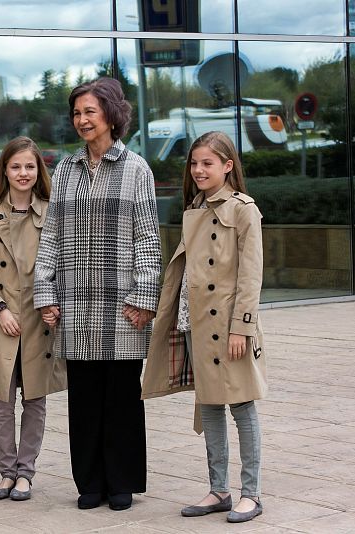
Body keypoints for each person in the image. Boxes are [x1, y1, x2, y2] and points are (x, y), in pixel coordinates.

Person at [33, 77, 161, 512]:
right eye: (77, 113)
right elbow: (50, 235)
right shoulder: (66, 169)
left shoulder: (136, 168)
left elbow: (147, 237)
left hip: (122, 304)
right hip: (76, 305)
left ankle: (121, 481)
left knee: (121, 397)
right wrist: (45, 291)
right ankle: (90, 482)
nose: (82, 120)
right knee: (85, 398)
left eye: (90, 111)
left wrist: (145, 295)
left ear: (111, 114)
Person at [141, 131, 267, 523]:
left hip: (229, 326)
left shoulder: (244, 209)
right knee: (209, 405)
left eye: (206, 163)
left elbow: (251, 275)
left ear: (228, 166)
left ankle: (252, 493)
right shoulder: (194, 207)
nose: (198, 170)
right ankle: (218, 490)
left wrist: (241, 329)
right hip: (194, 321)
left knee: (242, 406)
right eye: (194, 163)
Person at [0, 137, 67, 502]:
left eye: (29, 166)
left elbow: (62, 268)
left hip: (39, 321)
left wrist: (52, 304)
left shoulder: (53, 212)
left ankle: (26, 473)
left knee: (35, 400)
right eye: (15, 166)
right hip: (1, 321)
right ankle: (6, 473)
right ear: (4, 171)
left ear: (38, 170)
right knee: (1, 402)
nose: (23, 173)